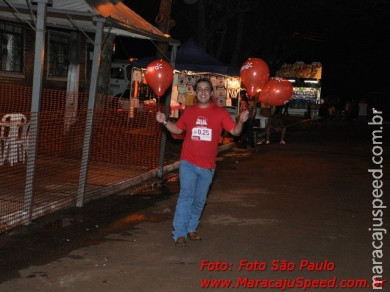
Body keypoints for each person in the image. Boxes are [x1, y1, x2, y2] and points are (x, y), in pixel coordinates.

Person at [156, 78, 249, 247]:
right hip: (188, 162)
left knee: (199, 200)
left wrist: (241, 121)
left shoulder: (220, 113)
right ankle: (179, 233)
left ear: (212, 93)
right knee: (186, 196)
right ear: (196, 93)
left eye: (207, 89)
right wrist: (164, 121)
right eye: (200, 89)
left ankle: (191, 228)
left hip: (207, 166)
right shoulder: (189, 112)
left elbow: (235, 131)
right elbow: (177, 129)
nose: (203, 92)